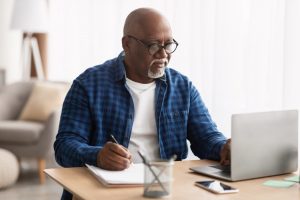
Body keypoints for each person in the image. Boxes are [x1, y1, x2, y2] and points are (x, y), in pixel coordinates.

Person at [54, 7, 230, 200]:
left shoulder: (182, 87)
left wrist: (224, 148)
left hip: (163, 190)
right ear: (127, 44)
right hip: (104, 191)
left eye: (168, 44)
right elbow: (64, 146)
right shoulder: (88, 84)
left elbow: (206, 137)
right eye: (154, 46)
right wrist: (97, 156)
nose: (163, 54)